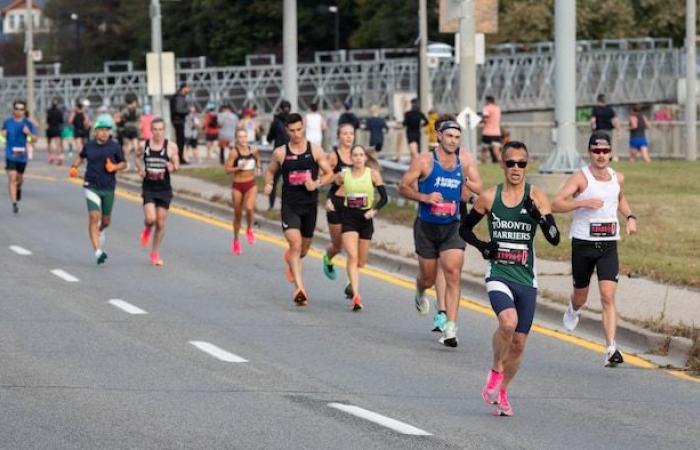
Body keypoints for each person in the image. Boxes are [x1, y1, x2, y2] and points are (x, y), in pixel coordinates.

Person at [459, 140, 561, 417]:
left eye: (522, 163)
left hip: (526, 278)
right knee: (508, 321)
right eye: (511, 163)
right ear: (503, 165)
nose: (516, 168)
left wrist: (538, 215)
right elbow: (464, 230)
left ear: (527, 166)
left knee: (519, 343)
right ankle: (495, 369)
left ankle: (502, 390)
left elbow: (554, 239)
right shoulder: (490, 197)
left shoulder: (537, 196)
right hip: (499, 273)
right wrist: (483, 247)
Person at [552, 131, 637, 367]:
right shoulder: (580, 178)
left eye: (605, 151)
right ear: (589, 152)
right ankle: (573, 309)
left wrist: (630, 216)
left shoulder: (617, 177)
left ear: (611, 152)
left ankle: (611, 348)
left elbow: (619, 198)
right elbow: (555, 204)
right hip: (583, 244)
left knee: (608, 296)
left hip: (609, 244)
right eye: (596, 151)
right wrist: (582, 202)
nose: (601, 155)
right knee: (581, 296)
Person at [398, 120, 481, 347]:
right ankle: (420, 291)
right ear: (439, 136)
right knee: (428, 276)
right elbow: (402, 186)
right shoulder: (424, 161)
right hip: (426, 226)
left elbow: (476, 186)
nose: (453, 140)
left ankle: (451, 327)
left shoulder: (464, 160)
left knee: (453, 273)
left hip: (452, 226)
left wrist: (469, 189)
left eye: (457, 137)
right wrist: (425, 198)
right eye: (449, 136)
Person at [263, 113, 333, 306]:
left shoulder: (316, 150)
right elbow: (270, 171)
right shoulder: (281, 152)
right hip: (290, 205)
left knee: (304, 248)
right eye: (292, 131)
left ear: (304, 128)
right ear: (287, 130)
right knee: (295, 245)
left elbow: (329, 174)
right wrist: (268, 184)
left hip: (309, 205)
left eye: (299, 129)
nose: (296, 134)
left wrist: (317, 183)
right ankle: (299, 289)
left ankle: (292, 264)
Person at [334, 145, 387, 310]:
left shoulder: (373, 174)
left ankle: (351, 280)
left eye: (361, 155)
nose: (358, 158)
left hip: (366, 219)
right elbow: (332, 192)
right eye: (355, 155)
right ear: (351, 158)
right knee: (352, 256)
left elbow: (384, 198)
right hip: (349, 218)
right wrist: (330, 201)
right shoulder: (343, 176)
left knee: (361, 262)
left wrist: (374, 210)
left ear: (365, 158)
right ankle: (356, 297)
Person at [68, 116, 126, 265]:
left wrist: (114, 167)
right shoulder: (89, 146)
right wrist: (74, 167)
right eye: (101, 130)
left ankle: (101, 229)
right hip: (91, 185)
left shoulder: (115, 147)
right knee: (94, 216)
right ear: (95, 132)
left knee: (105, 221)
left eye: (107, 130)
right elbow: (80, 157)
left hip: (108, 187)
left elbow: (124, 163)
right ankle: (98, 251)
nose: (104, 133)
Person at [135, 118, 179, 266]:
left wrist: (172, 167)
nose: (158, 132)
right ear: (151, 130)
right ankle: (147, 228)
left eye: (161, 129)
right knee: (151, 219)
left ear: (164, 130)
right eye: (155, 129)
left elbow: (176, 163)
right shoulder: (144, 145)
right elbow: (136, 158)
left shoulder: (170, 146)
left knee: (160, 223)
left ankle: (154, 252)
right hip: (149, 187)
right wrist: (140, 169)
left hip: (164, 189)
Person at [322, 123, 354, 291]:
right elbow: (323, 178)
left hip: (353, 205)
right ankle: (328, 258)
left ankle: (351, 283)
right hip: (335, 203)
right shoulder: (333, 157)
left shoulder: (358, 156)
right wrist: (336, 176)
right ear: (339, 136)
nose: (348, 137)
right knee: (337, 245)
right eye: (345, 134)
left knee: (351, 246)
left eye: (351, 134)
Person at [225, 128, 261, 255]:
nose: (243, 139)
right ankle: (236, 240)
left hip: (251, 184)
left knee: (250, 208)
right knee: (238, 214)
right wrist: (238, 167)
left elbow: (258, 161)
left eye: (245, 136)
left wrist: (258, 169)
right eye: (240, 137)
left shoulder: (254, 150)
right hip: (238, 185)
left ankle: (250, 229)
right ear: (236, 139)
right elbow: (227, 169)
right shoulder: (234, 153)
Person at [2, 100, 38, 214]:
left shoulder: (28, 123)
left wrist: (29, 134)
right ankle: (14, 204)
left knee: (19, 178)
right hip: (10, 154)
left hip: (22, 156)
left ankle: (18, 188)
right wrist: (3, 134)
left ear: (24, 111)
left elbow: (35, 139)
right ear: (13, 110)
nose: (19, 111)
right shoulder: (7, 122)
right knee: (12, 177)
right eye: (17, 109)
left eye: (21, 109)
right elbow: (2, 133)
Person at [266, 100, 291, 209]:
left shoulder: (275, 122)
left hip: (277, 155)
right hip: (290, 155)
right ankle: (287, 206)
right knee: (289, 182)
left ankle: (271, 206)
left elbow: (269, 138)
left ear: (280, 108)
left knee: (273, 181)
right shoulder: (292, 122)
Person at [170, 83, 191, 165]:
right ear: (184, 88)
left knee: (181, 140)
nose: (189, 90)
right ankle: (179, 158)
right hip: (178, 121)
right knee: (180, 141)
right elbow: (178, 109)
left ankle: (180, 158)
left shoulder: (178, 97)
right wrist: (188, 111)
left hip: (178, 120)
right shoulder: (179, 98)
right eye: (188, 88)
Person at [121, 94, 141, 171]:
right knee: (133, 148)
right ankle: (134, 164)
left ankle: (129, 164)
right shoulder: (136, 110)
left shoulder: (125, 110)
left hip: (128, 129)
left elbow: (122, 119)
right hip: (132, 130)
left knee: (128, 148)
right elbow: (139, 120)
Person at [480, 96, 502, 163]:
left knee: (484, 150)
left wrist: (479, 120)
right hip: (497, 133)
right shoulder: (497, 108)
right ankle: (501, 164)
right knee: (497, 151)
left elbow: (485, 118)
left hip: (487, 132)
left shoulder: (486, 108)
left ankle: (483, 164)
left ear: (487, 101)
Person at [46, 99, 64, 165]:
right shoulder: (59, 112)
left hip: (50, 128)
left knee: (49, 143)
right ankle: (60, 158)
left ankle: (51, 157)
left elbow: (47, 120)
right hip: (57, 128)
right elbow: (61, 121)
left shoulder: (49, 111)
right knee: (58, 144)